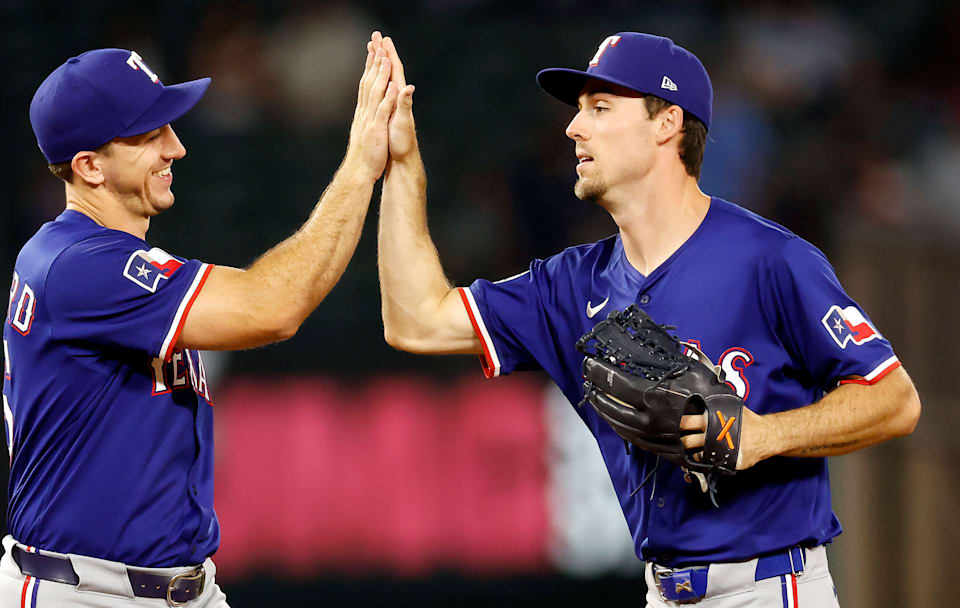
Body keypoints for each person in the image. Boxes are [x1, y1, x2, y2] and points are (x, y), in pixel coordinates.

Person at [375, 32, 921, 607]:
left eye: (601, 108)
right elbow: (415, 322)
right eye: (579, 110)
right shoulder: (570, 284)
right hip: (662, 592)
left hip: (770, 587)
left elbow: (895, 399)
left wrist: (764, 435)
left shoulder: (770, 259)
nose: (573, 128)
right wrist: (401, 164)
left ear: (668, 125)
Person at [0, 35, 398, 608]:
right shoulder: (80, 265)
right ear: (89, 166)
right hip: (78, 593)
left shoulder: (87, 257)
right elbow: (273, 308)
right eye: (150, 136)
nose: (175, 147)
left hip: (175, 587)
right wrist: (360, 164)